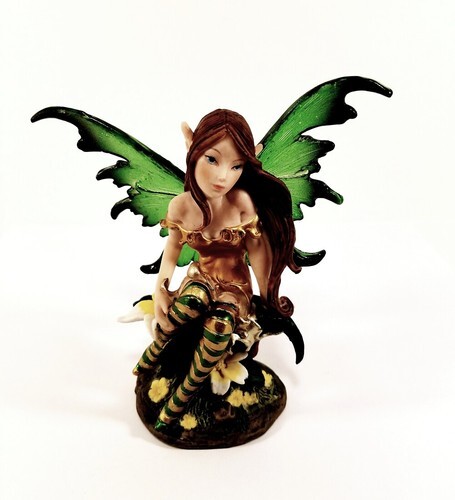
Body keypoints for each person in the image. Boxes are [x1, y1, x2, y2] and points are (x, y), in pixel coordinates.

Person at [133, 109, 300, 430]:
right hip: (200, 277)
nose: (223, 176)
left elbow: (257, 252)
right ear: (192, 148)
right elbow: (172, 251)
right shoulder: (180, 206)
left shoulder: (242, 204)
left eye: (236, 166)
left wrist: (267, 296)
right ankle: (154, 352)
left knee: (220, 326)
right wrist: (160, 289)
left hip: (234, 288)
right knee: (190, 301)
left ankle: (183, 395)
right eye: (212, 159)